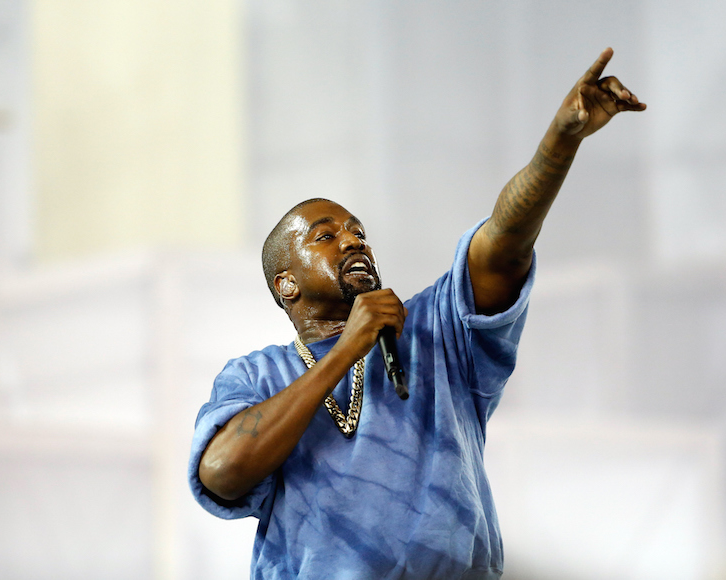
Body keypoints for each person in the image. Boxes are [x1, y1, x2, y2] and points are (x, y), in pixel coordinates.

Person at [188, 48, 645, 579]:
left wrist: (561, 141)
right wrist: (346, 352)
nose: (353, 241)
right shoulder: (255, 375)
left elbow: (505, 241)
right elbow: (222, 472)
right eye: (326, 236)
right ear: (285, 283)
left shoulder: (433, 329)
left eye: (359, 232)